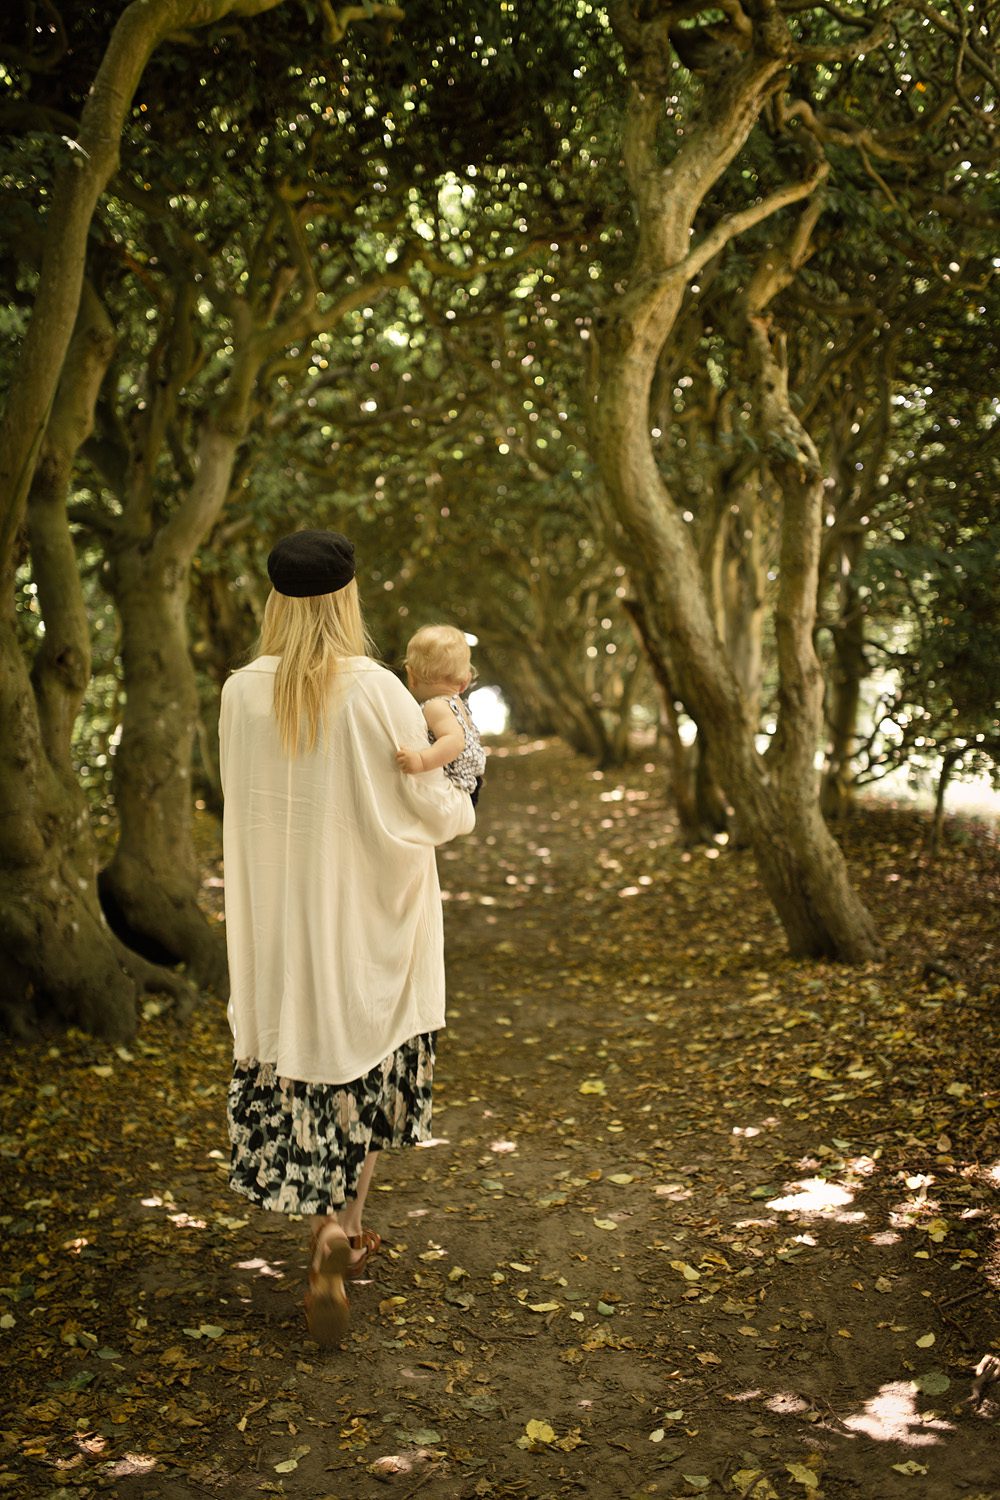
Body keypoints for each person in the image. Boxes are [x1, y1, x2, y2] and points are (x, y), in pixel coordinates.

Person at [219, 531, 475, 1347]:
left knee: (312, 1060)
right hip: (372, 918)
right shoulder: (376, 691)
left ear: (275, 602)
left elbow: (244, 810)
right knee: (366, 1063)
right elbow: (435, 810)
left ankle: (323, 1229)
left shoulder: (240, 691)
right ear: (348, 599)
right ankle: (346, 1225)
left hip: (284, 927)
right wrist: (467, 785)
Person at [395, 624, 486, 806]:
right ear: (465, 682)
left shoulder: (436, 706)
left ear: (411, 676)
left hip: (456, 787)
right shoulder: (455, 703)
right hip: (470, 783)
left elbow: (454, 741)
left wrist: (421, 760)